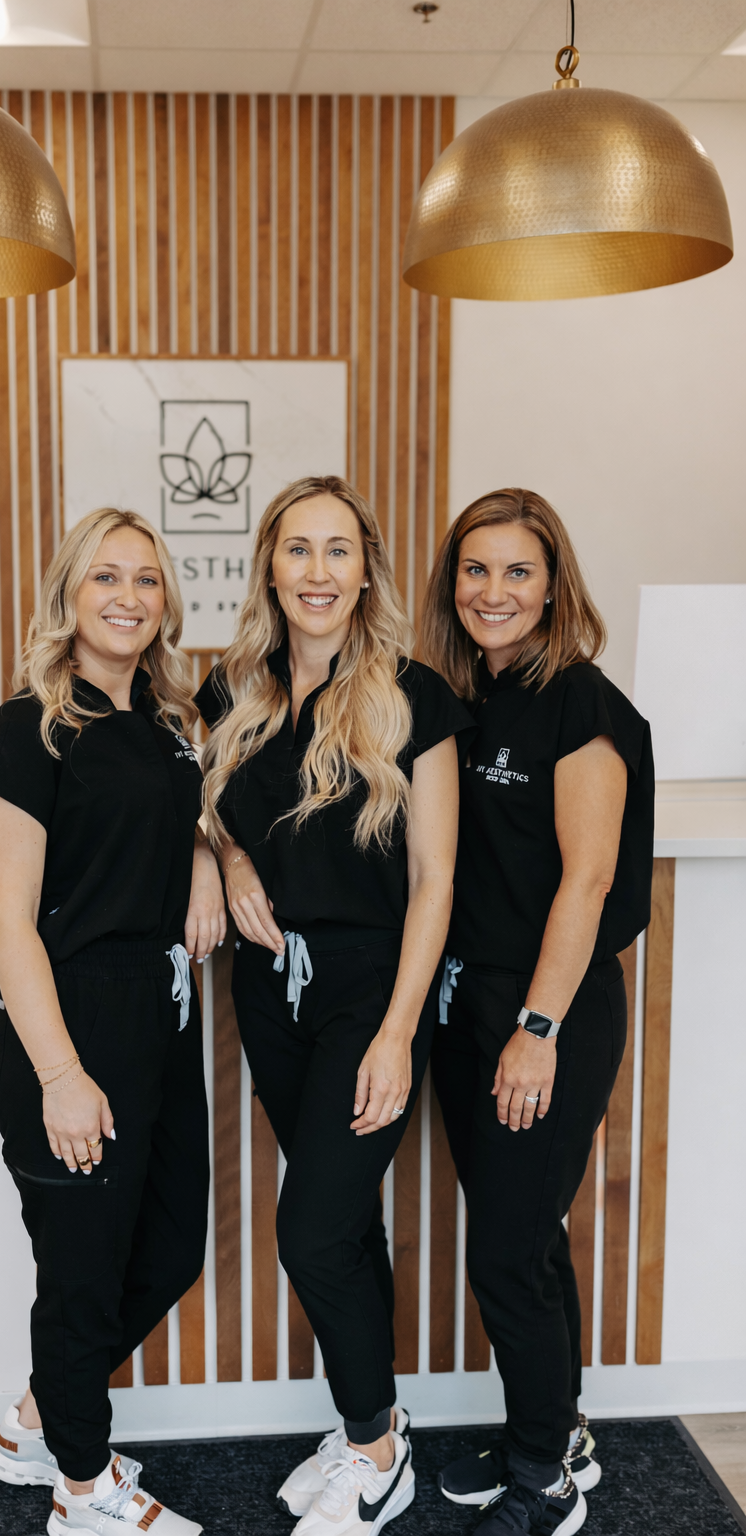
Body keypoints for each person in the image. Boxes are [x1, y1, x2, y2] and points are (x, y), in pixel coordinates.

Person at [196, 475, 474, 1536]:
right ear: (269, 565)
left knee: (307, 1231)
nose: (318, 572)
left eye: (338, 551)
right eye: (298, 550)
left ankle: (373, 1452)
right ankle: (375, 1424)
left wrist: (400, 1032)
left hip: (372, 991)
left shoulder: (413, 695)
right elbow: (206, 810)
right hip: (268, 992)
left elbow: (436, 879)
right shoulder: (231, 690)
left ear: (366, 570)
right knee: (344, 1219)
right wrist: (222, 859)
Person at [0, 508, 225, 1536]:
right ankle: (80, 1487)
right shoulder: (23, 730)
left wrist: (202, 858)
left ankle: (35, 1423)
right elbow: (6, 920)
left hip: (158, 1022)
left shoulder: (166, 722)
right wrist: (62, 1075)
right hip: (63, 1032)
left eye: (147, 580)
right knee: (80, 1276)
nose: (127, 597)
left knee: (164, 1255)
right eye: (105, 577)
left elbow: (181, 820)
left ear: (166, 601)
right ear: (69, 593)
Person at [420, 489, 654, 1536]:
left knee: (506, 1249)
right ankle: (550, 1431)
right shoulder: (465, 697)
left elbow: (589, 879)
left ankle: (545, 1485)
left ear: (553, 584)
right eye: (476, 570)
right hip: (468, 1007)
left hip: (543, 1017)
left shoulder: (581, 704)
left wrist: (538, 1028)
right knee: (525, 1234)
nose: (493, 591)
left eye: (517, 571)